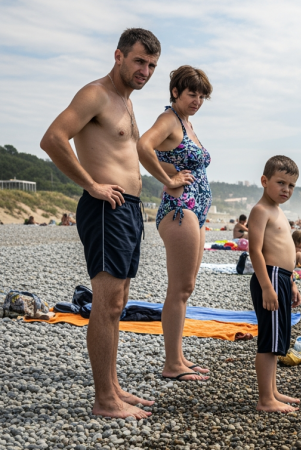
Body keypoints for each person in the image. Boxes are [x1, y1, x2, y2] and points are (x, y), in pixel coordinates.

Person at [39, 28, 160, 419]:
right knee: (106, 306)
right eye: (139, 61)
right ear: (119, 56)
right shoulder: (96, 94)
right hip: (106, 208)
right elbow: (53, 138)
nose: (145, 70)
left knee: (118, 304)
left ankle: (113, 387)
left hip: (129, 209)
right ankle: (104, 400)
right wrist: (90, 184)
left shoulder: (125, 101)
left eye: (152, 65)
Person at [137, 65, 214, 382]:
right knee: (179, 288)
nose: (196, 99)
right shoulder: (169, 119)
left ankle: (179, 357)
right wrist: (167, 178)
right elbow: (143, 145)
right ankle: (171, 364)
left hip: (196, 210)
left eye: (201, 95)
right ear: (175, 92)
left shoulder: (186, 123)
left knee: (187, 288)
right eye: (191, 93)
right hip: (180, 209)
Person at [247, 155, 301, 413]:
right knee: (269, 341)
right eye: (281, 183)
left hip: (281, 277)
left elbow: (287, 249)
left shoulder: (278, 211)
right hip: (269, 277)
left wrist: (290, 282)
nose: (286, 190)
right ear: (264, 181)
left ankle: (273, 390)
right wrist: (268, 287)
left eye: (291, 185)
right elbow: (255, 251)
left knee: (278, 338)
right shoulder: (260, 211)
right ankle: (265, 400)